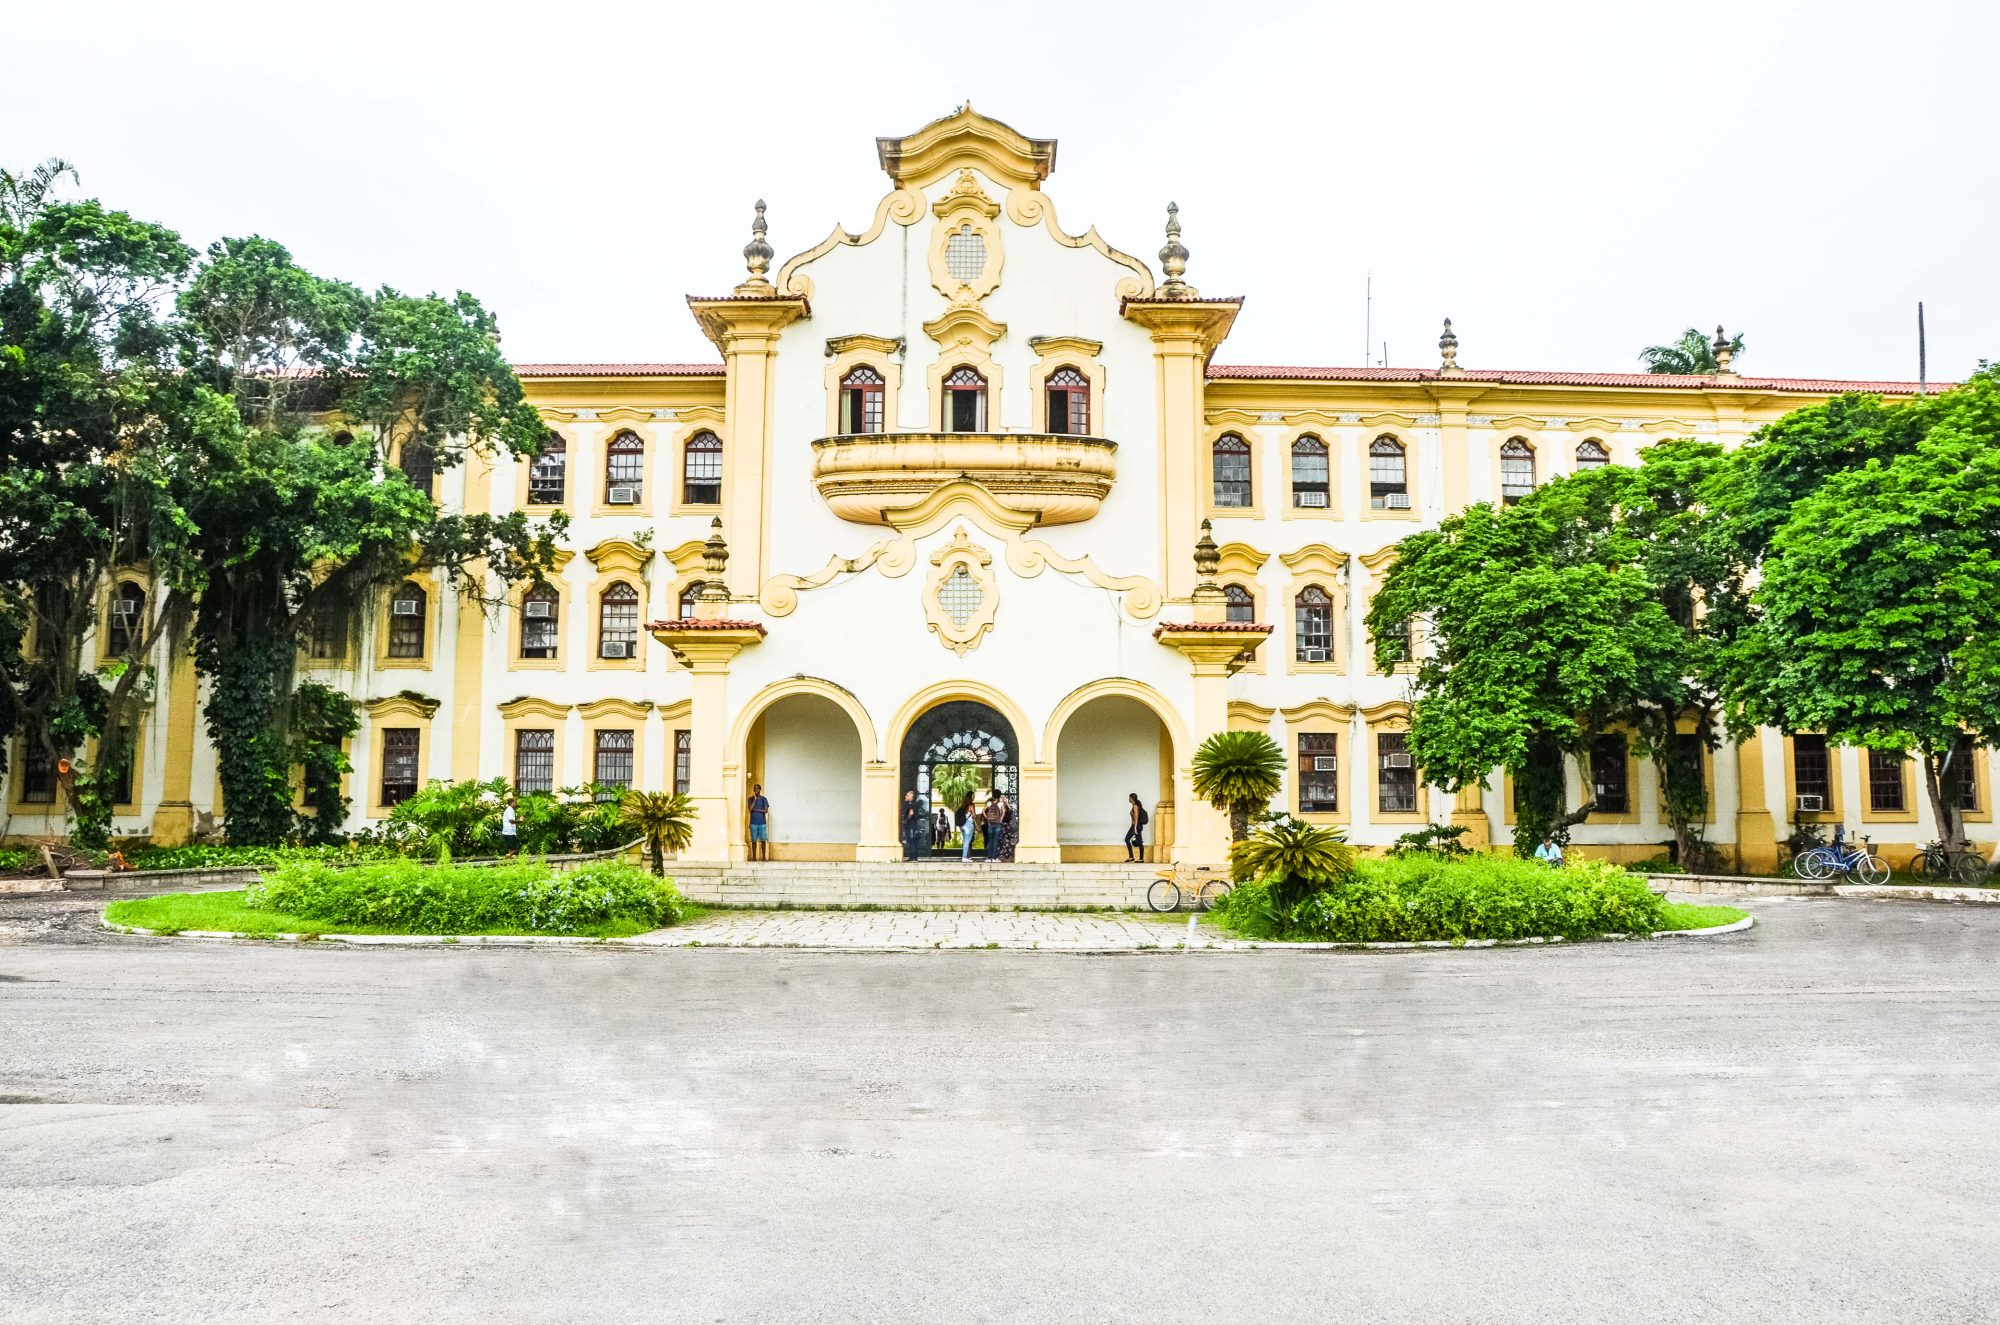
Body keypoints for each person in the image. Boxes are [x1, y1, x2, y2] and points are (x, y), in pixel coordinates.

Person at [747, 783, 771, 862]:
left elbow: (766, 810)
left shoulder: (764, 799)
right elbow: (750, 809)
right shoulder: (750, 799)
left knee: (763, 840)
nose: (755, 790)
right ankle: (754, 857)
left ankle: (764, 857)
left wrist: (756, 810)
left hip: (762, 823)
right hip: (753, 823)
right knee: (754, 841)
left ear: (760, 790)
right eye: (754, 788)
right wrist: (755, 799)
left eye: (757, 788)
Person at [901, 790, 925, 861]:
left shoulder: (912, 804)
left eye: (907, 795)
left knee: (911, 840)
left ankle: (913, 857)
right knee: (912, 841)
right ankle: (914, 857)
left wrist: (905, 821)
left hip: (911, 825)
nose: (906, 796)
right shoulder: (911, 803)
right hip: (912, 824)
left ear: (911, 795)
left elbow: (911, 813)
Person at [1124, 792, 1148, 862]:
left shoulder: (1135, 806)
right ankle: (1140, 859)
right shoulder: (1135, 805)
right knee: (1139, 842)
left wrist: (1135, 827)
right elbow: (1133, 818)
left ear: (1132, 798)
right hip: (1136, 826)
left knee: (1127, 839)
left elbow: (1136, 817)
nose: (1128, 799)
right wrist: (1133, 825)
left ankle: (1132, 857)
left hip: (1137, 826)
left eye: (1129, 798)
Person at [983, 793, 1006, 861]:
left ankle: (988, 858)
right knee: (995, 841)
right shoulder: (1000, 804)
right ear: (998, 797)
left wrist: (987, 818)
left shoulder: (989, 803)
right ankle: (994, 858)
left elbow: (983, 811)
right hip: (998, 824)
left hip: (990, 823)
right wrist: (1000, 820)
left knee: (990, 840)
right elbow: (1004, 811)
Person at [958, 797, 975, 862]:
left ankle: (967, 856)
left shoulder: (961, 807)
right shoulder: (970, 806)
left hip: (962, 826)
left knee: (965, 842)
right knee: (967, 842)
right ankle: (964, 857)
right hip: (968, 826)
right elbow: (974, 816)